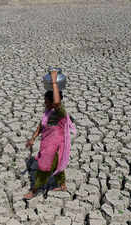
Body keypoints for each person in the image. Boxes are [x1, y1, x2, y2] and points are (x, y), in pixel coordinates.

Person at [23, 70, 76, 200]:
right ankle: (62, 185)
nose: (44, 103)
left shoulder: (60, 112)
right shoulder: (48, 112)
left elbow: (57, 102)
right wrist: (33, 138)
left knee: (44, 167)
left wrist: (54, 82)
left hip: (56, 145)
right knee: (57, 164)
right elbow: (41, 125)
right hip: (48, 143)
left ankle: (34, 190)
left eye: (47, 101)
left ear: (53, 103)